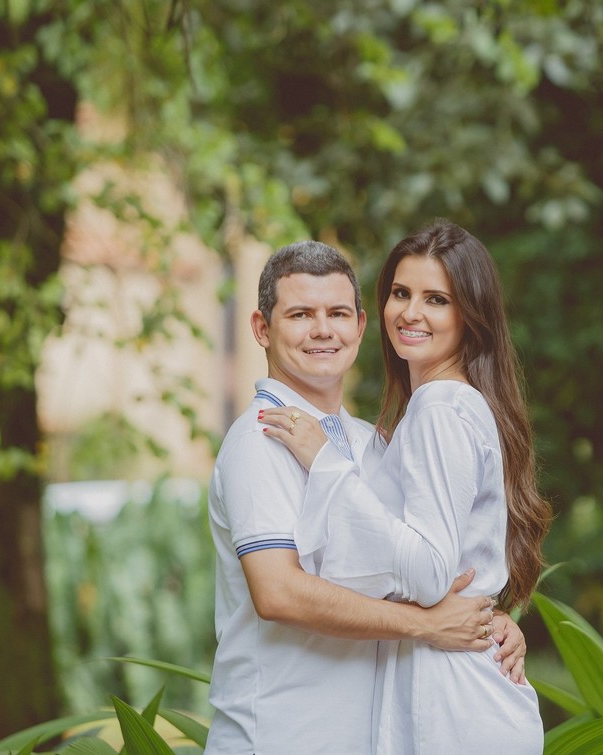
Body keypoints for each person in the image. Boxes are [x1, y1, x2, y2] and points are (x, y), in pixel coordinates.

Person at [206, 240, 527, 755]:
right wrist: (428, 626)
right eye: (300, 314)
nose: (322, 330)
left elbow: (414, 562)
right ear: (262, 329)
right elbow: (278, 594)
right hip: (279, 736)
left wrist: (485, 621)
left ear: (359, 326)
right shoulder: (260, 440)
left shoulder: (367, 443)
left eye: (336, 313)